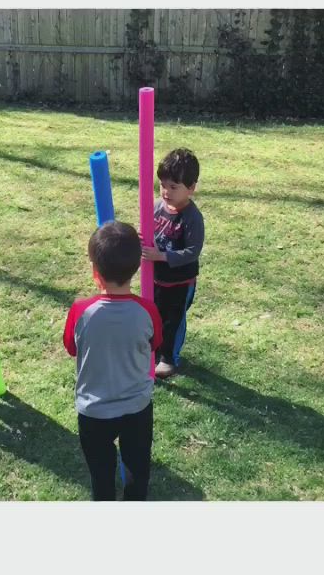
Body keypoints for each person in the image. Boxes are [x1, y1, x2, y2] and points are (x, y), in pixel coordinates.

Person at [63, 221, 162, 500]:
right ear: (136, 268)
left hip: (94, 412)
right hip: (137, 409)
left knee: (101, 476)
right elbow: (155, 344)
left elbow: (72, 347)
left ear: (96, 273)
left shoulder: (81, 310)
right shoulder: (148, 310)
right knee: (137, 473)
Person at [141, 148, 204, 379]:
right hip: (156, 278)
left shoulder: (192, 217)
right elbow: (150, 235)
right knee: (154, 315)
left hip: (180, 282)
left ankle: (169, 358)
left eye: (173, 187)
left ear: (191, 188)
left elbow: (192, 251)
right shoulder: (158, 207)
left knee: (173, 320)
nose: (166, 192)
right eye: (162, 185)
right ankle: (154, 350)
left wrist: (163, 257)